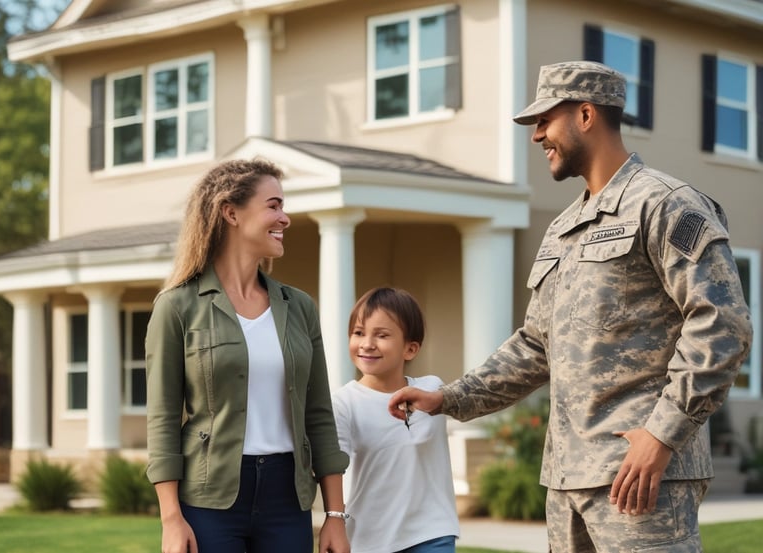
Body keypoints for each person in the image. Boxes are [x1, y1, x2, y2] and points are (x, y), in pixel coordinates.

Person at [389, 61, 753, 552]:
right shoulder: (562, 229)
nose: (537, 136)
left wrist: (662, 435)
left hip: (640, 478)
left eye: (545, 120)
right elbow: (536, 346)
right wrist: (450, 398)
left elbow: (722, 324)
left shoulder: (666, 204)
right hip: (568, 480)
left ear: (586, 115)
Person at [145, 158, 350, 553]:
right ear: (231, 212)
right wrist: (171, 517)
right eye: (274, 205)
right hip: (208, 499)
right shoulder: (177, 307)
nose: (285, 218)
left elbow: (319, 415)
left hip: (287, 498)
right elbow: (163, 419)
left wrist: (334, 516)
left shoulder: (300, 307)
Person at [332, 287, 460, 553]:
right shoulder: (343, 402)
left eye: (382, 335)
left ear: (410, 349)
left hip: (432, 532)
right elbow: (334, 468)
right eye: (358, 333)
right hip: (367, 539)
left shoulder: (431, 390)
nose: (367, 343)